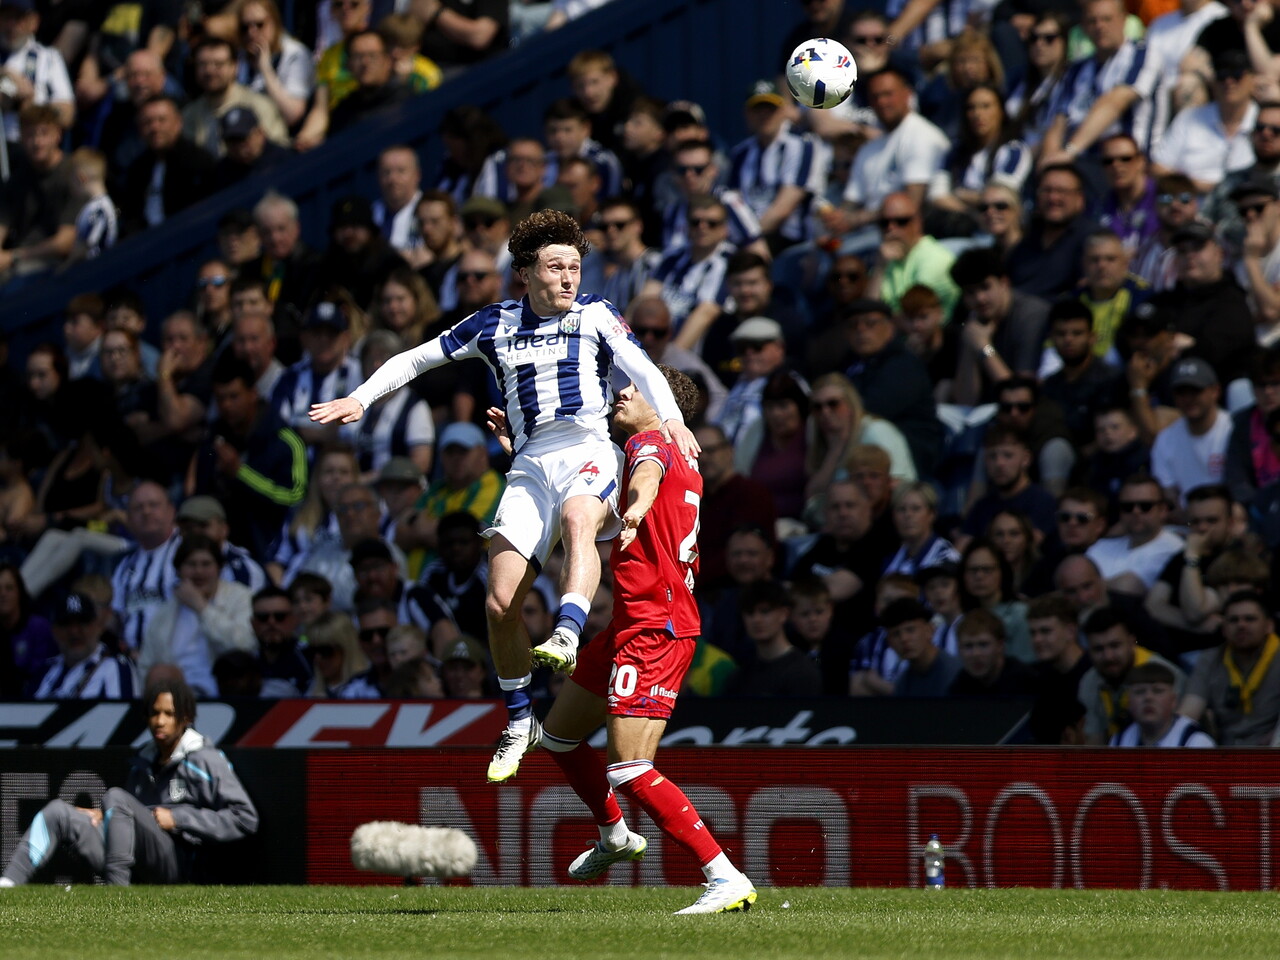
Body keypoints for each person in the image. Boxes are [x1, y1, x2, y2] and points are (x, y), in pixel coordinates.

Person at [310, 210, 696, 783]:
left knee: (579, 518)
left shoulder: (596, 315)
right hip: (530, 461)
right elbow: (417, 358)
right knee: (498, 601)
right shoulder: (493, 325)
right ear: (524, 273)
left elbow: (641, 364)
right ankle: (520, 718)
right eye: (556, 267)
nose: (569, 278)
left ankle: (566, 631)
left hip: (589, 447)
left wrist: (671, 420)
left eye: (575, 266)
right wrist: (362, 399)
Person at [515, 364, 756, 914]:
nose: (622, 392)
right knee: (558, 737)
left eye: (636, 387)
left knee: (628, 766)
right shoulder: (681, 452)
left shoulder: (653, 442)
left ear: (663, 402)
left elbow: (645, 477)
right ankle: (614, 836)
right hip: (629, 622)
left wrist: (638, 506)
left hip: (656, 627)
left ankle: (724, 875)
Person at [1, 676, 258, 887]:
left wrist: (179, 819)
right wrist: (106, 815)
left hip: (181, 866)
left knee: (115, 796)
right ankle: (9, 884)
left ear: (186, 718)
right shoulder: (143, 761)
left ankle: (117, 895)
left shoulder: (204, 759)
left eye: (169, 713)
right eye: (154, 713)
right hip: (138, 863)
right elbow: (136, 817)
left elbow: (245, 818)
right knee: (58, 812)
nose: (160, 721)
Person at [139, 534, 257, 698]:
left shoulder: (241, 597)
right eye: (191, 564)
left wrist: (201, 607)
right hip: (176, 699)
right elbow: (146, 666)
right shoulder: (165, 611)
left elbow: (244, 645)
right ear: (179, 570)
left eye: (206, 564)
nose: (199, 571)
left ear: (219, 568)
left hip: (227, 693)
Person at [1180, 590, 1280, 744]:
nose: (1241, 625)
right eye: (1234, 620)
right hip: (1223, 755)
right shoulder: (1210, 659)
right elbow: (1188, 713)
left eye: (1250, 619)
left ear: (1269, 625)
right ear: (1224, 628)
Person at [1080, 605, 1185, 744]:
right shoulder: (1089, 682)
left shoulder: (1165, 676)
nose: (1108, 656)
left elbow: (1177, 736)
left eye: (1115, 645)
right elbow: (1094, 741)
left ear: (1131, 642)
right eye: (1098, 649)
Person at [1151, 357, 1234, 507]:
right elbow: (1168, 495)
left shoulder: (1233, 429)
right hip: (1185, 522)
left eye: (1195, 391)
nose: (1188, 399)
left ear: (1215, 391)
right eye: (1181, 392)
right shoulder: (1165, 439)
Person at [1086, 474, 1185, 591]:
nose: (1136, 511)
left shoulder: (1175, 549)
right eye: (1128, 507)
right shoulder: (1101, 547)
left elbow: (1128, 586)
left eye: (1145, 506)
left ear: (1163, 510)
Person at [33, 592, 137, 700]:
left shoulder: (117, 668)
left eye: (82, 623)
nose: (74, 632)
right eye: (66, 624)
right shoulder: (43, 672)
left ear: (98, 627)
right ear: (54, 631)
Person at [727, 580, 823, 697]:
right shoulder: (739, 676)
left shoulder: (803, 673)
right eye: (750, 612)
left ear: (784, 614)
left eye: (765, 611)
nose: (757, 619)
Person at [1110, 661, 1216, 747]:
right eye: (1140, 691)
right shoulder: (1118, 741)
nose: (1148, 698)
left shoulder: (1196, 742)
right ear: (1129, 702)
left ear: (1173, 700)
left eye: (1158, 691)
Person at [948, 608, 1037, 697]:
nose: (975, 653)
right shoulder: (960, 684)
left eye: (983, 645)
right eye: (968, 646)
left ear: (1000, 645)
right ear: (959, 648)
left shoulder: (1026, 681)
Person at [883, 596, 961, 697]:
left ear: (929, 630)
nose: (904, 639)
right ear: (890, 643)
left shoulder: (955, 674)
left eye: (910, 630)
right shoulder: (903, 683)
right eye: (896, 634)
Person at [249, 585, 311, 697]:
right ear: (253, 624)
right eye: (263, 617)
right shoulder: (246, 663)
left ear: (294, 620)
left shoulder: (312, 658)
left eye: (280, 616)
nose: (271, 622)